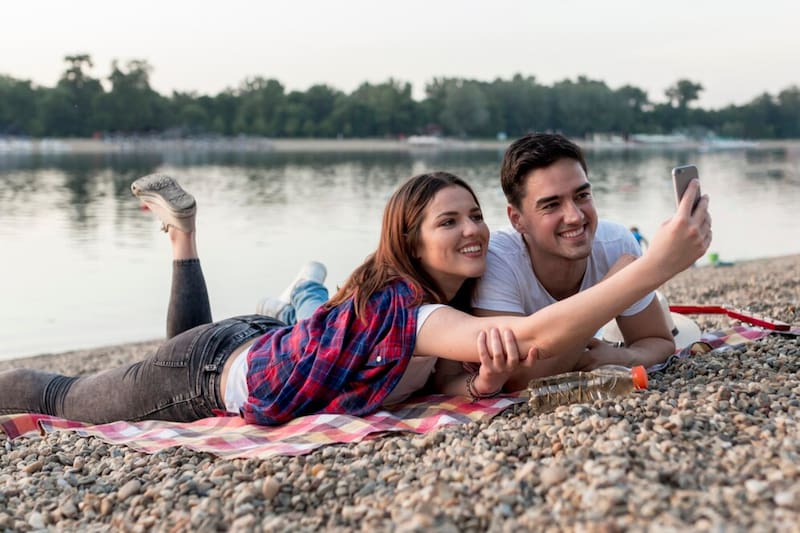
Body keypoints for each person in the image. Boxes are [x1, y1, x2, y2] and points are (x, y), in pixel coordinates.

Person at [0, 170, 710, 426]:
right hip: (210, 373)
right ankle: (183, 237)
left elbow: (481, 365)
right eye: (447, 221)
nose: (470, 230)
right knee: (62, 397)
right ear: (410, 237)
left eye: (473, 215)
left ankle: (183, 238)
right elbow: (529, 341)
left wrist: (475, 379)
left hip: (247, 344)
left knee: (170, 357)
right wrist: (654, 266)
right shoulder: (408, 307)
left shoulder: (437, 306)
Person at [466, 133, 698, 391]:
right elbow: (518, 380)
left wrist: (622, 356)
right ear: (517, 219)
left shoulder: (615, 243)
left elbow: (658, 341)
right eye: (551, 205)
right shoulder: (497, 261)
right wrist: (612, 289)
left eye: (582, 196)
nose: (575, 217)